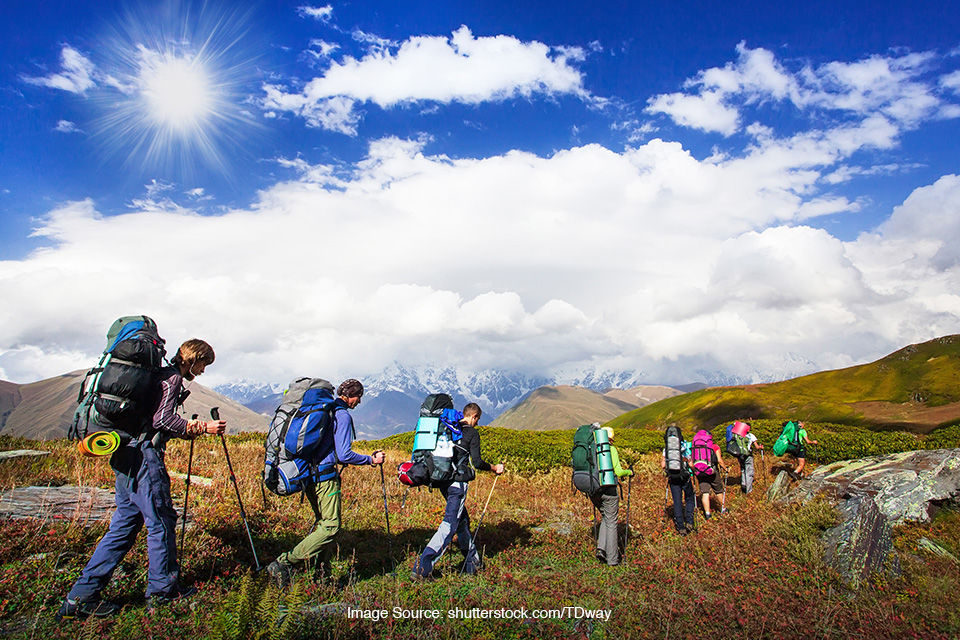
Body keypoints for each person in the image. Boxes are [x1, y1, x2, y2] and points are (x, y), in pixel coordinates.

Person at [58, 339, 226, 621]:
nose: (203, 371)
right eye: (203, 364)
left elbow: (151, 419)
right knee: (161, 521)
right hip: (144, 457)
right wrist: (199, 427)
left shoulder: (158, 375)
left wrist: (185, 430)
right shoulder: (172, 379)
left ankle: (81, 596)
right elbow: (162, 420)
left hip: (124, 451)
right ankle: (163, 592)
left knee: (124, 523)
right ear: (193, 359)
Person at [266, 379, 385, 587]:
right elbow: (344, 455)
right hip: (326, 479)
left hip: (309, 476)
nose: (358, 402)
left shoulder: (326, 409)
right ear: (351, 396)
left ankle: (323, 577)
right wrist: (370, 460)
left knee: (323, 524)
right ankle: (285, 562)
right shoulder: (343, 415)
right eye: (359, 397)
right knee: (331, 526)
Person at [413, 403, 504, 580]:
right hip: (458, 484)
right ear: (474, 416)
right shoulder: (472, 433)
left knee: (462, 521)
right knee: (450, 525)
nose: (477, 423)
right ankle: (422, 568)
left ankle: (473, 562)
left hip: (443, 482)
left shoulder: (448, 428)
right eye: (477, 419)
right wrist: (494, 468)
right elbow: (477, 463)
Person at [591, 428, 633, 566]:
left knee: (605, 517)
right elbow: (619, 472)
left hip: (594, 491)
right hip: (609, 490)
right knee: (611, 521)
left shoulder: (592, 449)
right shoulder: (611, 449)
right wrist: (630, 472)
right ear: (610, 439)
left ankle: (601, 549)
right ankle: (613, 560)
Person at [661, 431, 695, 535]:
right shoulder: (684, 446)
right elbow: (690, 462)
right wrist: (694, 471)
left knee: (677, 501)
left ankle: (681, 527)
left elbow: (663, 465)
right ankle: (689, 521)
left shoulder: (666, 448)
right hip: (685, 476)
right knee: (689, 498)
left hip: (673, 477)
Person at [691, 430, 730, 520]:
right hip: (712, 471)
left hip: (700, 472)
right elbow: (719, 460)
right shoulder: (714, 447)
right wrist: (725, 468)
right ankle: (723, 509)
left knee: (705, 492)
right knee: (719, 491)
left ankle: (707, 514)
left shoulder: (695, 447)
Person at [733, 421, 763, 494]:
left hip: (740, 455)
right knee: (749, 471)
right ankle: (749, 491)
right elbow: (756, 447)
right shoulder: (751, 435)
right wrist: (760, 447)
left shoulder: (738, 434)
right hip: (748, 454)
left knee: (743, 469)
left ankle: (744, 484)